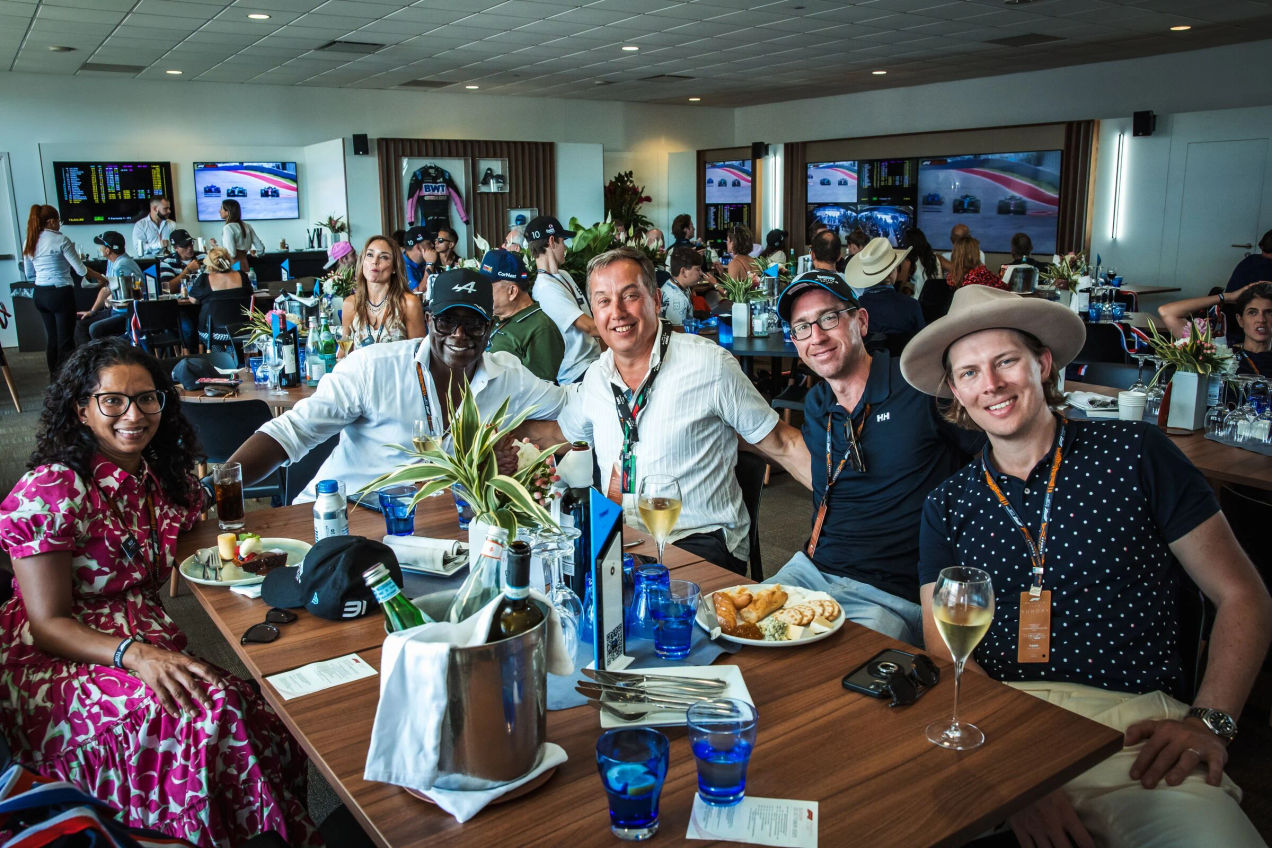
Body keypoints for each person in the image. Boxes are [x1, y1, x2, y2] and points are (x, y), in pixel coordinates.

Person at [901, 285, 1272, 848]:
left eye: (1006, 362)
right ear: (954, 389)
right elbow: (943, 648)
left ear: (1043, 363)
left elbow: (1244, 594)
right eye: (970, 373)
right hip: (997, 729)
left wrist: (1210, 720)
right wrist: (1017, 777)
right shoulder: (947, 505)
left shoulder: (1138, 452)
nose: (991, 385)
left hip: (1133, 734)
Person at [0, 338, 318, 846]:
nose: (134, 413)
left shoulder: (155, 476)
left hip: (143, 641)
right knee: (211, 715)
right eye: (113, 401)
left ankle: (263, 833)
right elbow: (48, 624)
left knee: (258, 704)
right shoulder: (52, 490)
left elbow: (212, 511)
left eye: (147, 398)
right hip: (61, 659)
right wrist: (136, 656)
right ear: (82, 410)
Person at [528, 247, 812, 573]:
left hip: (698, 537)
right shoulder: (596, 377)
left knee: (624, 604)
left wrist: (854, 505)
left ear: (656, 300)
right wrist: (491, 444)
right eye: (603, 301)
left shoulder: (708, 364)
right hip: (624, 538)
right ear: (593, 310)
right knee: (553, 579)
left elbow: (783, 443)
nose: (617, 311)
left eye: (629, 296)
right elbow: (558, 433)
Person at [764, 270, 979, 642]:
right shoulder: (817, 404)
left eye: (829, 318)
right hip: (810, 573)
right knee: (731, 632)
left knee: (841, 675)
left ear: (860, 321)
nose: (816, 336)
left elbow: (993, 461)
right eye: (801, 327)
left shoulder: (919, 389)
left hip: (891, 594)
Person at [228, 269, 568, 502]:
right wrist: (220, 487)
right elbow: (290, 433)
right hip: (347, 516)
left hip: (437, 529)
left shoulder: (506, 375)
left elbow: (572, 405)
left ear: (490, 327)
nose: (459, 336)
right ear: (430, 319)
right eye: (447, 321)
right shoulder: (374, 368)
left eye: (473, 324)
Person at [24, 204, 106, 373]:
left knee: (52, 339)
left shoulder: (30, 240)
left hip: (40, 294)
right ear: (52, 221)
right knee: (66, 340)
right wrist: (101, 277)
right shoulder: (61, 240)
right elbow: (81, 269)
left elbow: (29, 274)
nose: (59, 224)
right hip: (60, 293)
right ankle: (66, 380)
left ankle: (54, 379)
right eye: (58, 221)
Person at [527, 214, 601, 384]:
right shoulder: (545, 289)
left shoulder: (563, 275)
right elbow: (589, 327)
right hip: (578, 372)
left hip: (593, 361)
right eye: (563, 241)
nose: (566, 247)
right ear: (552, 241)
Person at [483, 247, 564, 383]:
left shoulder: (541, 329)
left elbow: (540, 392)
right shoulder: (493, 317)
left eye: (487, 287)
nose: (482, 291)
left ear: (512, 292)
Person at [1159, 281, 1272, 375]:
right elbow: (1167, 312)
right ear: (1240, 320)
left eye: (1269, 312)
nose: (1261, 319)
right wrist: (1227, 297)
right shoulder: (1217, 351)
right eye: (1252, 312)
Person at [340, 235, 427, 354]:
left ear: (394, 268)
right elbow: (344, 354)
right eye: (370, 255)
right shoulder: (350, 304)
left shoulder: (409, 303)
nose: (374, 261)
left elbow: (419, 357)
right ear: (362, 261)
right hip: (360, 373)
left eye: (384, 257)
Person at [845, 237, 925, 337]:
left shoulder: (854, 310)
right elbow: (923, 344)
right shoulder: (912, 306)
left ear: (865, 275)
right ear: (892, 272)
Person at [78, 231, 145, 345]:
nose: (100, 249)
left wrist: (92, 311)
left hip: (126, 314)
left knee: (95, 329)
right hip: (115, 310)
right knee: (81, 324)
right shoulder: (113, 261)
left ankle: (104, 360)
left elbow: (107, 289)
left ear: (108, 250)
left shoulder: (122, 265)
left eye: (101, 246)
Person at [187, 247, 254, 348]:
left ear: (210, 264)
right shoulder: (242, 276)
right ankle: (234, 358)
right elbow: (250, 294)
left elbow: (193, 300)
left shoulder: (204, 279)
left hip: (214, 334)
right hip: (242, 331)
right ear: (228, 260)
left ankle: (218, 360)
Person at [217, 198, 263, 276]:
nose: (219, 211)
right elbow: (261, 248)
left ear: (228, 211)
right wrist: (256, 254)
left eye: (221, 208)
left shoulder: (228, 228)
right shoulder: (247, 226)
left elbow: (231, 253)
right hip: (246, 266)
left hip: (234, 267)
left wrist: (216, 249)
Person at [661, 246, 703, 327]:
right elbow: (680, 332)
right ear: (683, 271)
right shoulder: (677, 299)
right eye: (697, 269)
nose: (701, 273)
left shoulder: (674, 284)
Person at [157, 228, 204, 294]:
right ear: (175, 248)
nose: (190, 247)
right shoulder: (167, 262)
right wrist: (188, 270)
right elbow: (166, 290)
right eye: (185, 245)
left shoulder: (203, 257)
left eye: (191, 243)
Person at [899, 228, 940, 299]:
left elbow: (900, 287)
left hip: (917, 303)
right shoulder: (934, 258)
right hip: (934, 302)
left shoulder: (908, 261)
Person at [401, 225, 439, 294]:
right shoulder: (401, 265)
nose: (432, 245)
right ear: (418, 247)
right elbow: (418, 293)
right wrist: (430, 264)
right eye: (428, 243)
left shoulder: (424, 261)